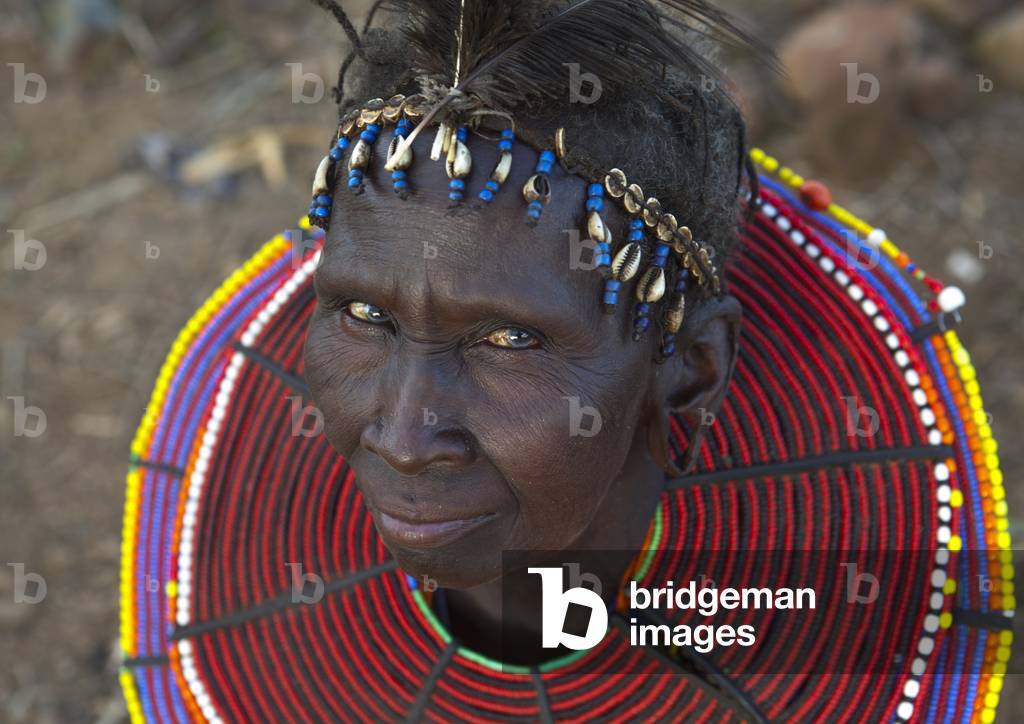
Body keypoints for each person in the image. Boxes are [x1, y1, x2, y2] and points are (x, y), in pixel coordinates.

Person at [119, 1, 1015, 722]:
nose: (401, 435)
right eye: (364, 313)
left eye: (506, 340)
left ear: (692, 374)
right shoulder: (280, 659)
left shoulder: (817, 646)